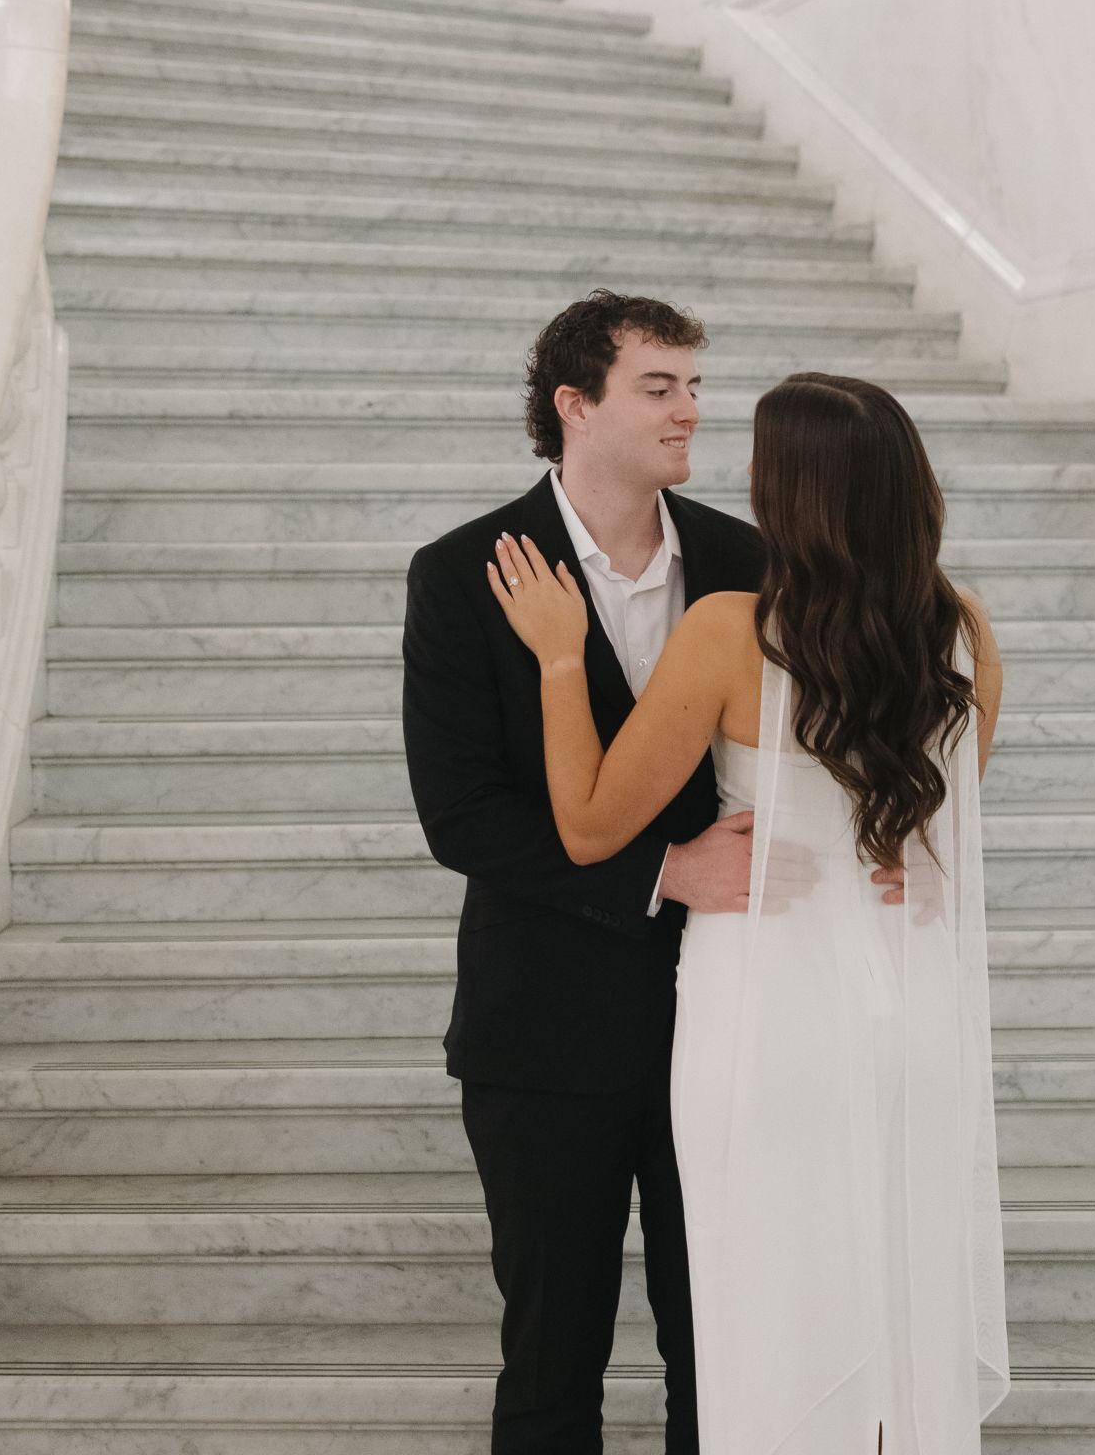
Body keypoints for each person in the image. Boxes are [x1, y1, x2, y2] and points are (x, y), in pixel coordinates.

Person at [486, 371, 1013, 1453]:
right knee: (887, 1315)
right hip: (908, 1017)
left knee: (765, 1318)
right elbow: (927, 837)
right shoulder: (963, 633)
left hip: (768, 1015)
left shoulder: (732, 630)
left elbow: (588, 825)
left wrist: (559, 655)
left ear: (793, 496)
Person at [402, 291, 766, 1454]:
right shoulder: (461, 571)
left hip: (725, 1018)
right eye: (658, 386)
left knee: (723, 1354)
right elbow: (462, 816)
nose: (688, 409)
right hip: (542, 1035)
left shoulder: (748, 561)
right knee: (550, 1361)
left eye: (694, 385)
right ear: (574, 404)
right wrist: (664, 871)